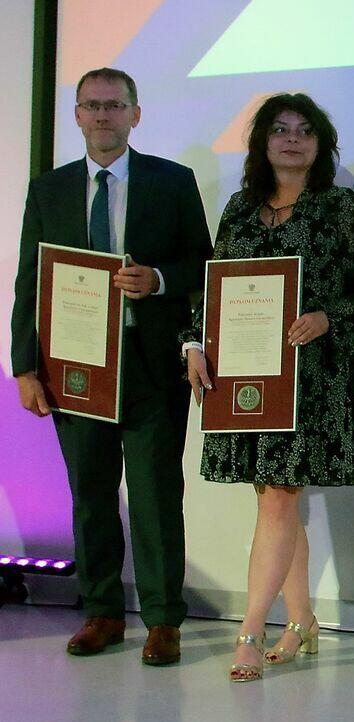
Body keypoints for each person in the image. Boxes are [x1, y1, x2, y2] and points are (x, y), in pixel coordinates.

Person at [11, 68, 211, 665]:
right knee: (91, 496)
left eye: (114, 105)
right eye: (92, 105)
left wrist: (159, 279)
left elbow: (204, 264)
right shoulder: (49, 190)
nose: (103, 115)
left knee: (155, 498)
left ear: (135, 114)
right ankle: (100, 612)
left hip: (150, 368)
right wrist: (25, 367)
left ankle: (163, 620)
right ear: (76, 115)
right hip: (74, 372)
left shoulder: (172, 181)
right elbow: (29, 283)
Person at [183, 93, 354, 682]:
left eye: (304, 130)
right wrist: (193, 344)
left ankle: (250, 632)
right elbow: (214, 287)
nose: (292, 139)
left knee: (278, 498)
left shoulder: (340, 206)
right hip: (246, 378)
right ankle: (301, 620)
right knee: (274, 499)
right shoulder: (240, 207)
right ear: (262, 142)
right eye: (280, 129)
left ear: (321, 144)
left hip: (311, 377)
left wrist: (327, 317)